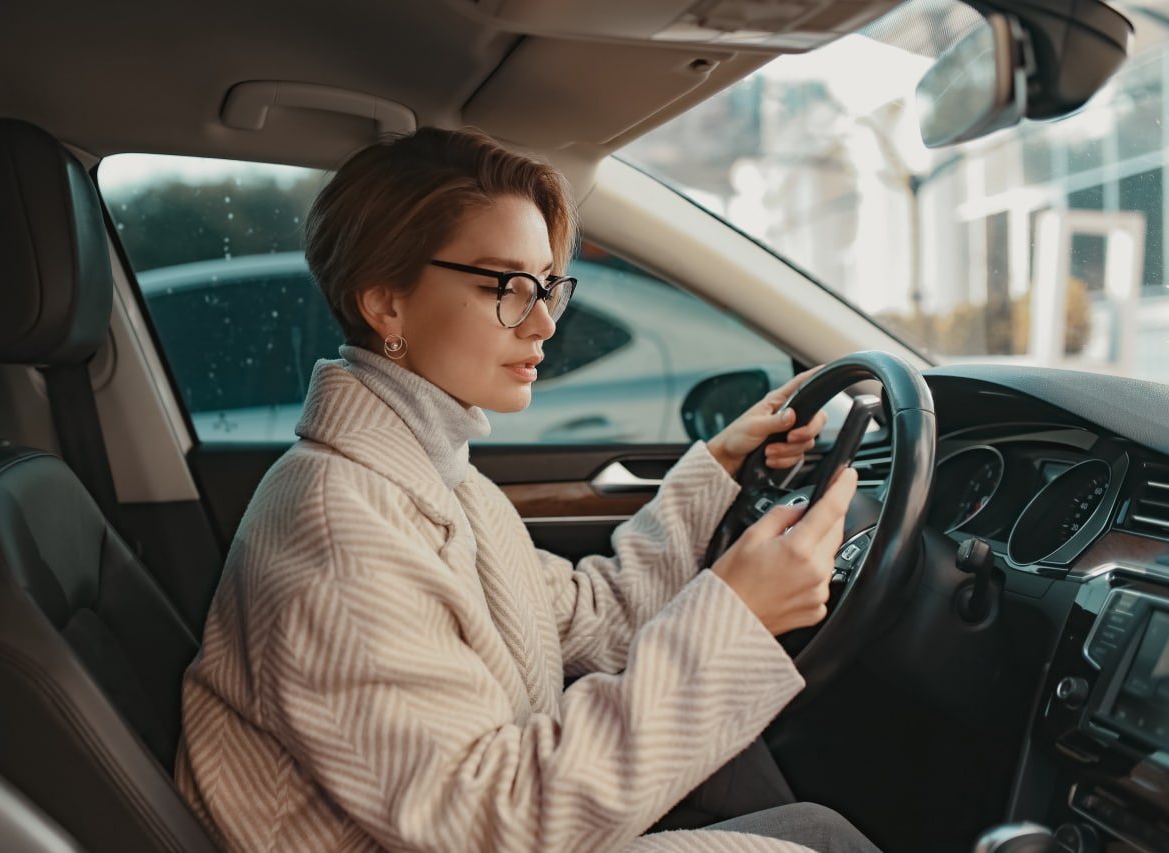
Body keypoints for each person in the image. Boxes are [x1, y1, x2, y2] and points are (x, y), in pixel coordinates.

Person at [175, 127, 880, 853]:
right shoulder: (334, 527)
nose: (545, 320)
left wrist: (720, 468)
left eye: (546, 284)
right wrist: (738, 617)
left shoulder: (440, 477)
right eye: (506, 286)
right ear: (386, 304)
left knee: (818, 830)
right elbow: (491, 824)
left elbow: (593, 617)